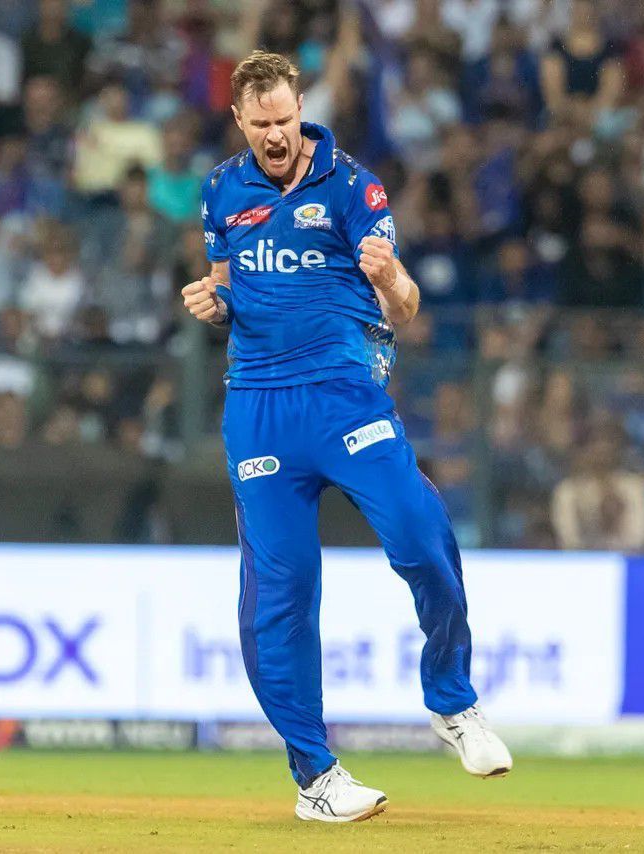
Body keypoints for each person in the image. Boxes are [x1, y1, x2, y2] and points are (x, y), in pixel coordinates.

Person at [179, 51, 512, 824]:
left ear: (302, 110)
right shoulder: (222, 192)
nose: (274, 135)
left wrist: (390, 275)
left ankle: (453, 704)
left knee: (422, 534)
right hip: (258, 408)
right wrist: (212, 301)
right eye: (259, 124)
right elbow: (233, 290)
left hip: (344, 400)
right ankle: (316, 778)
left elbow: (405, 308)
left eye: (285, 121)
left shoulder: (354, 185)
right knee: (279, 595)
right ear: (239, 120)